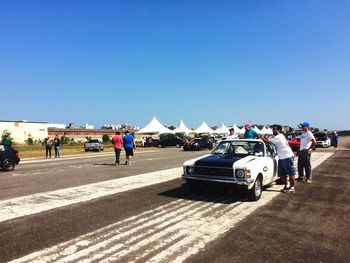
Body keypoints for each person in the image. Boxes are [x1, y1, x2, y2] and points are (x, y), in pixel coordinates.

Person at [261, 124, 296, 193]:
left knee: (290, 173)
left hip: (287, 156)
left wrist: (262, 137)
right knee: (282, 174)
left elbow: (268, 141)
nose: (273, 130)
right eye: (272, 129)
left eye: (274, 129)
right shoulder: (279, 136)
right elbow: (269, 140)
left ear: (279, 130)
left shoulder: (279, 137)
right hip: (281, 157)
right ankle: (286, 186)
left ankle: (292, 188)